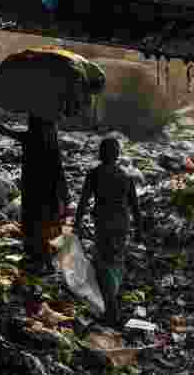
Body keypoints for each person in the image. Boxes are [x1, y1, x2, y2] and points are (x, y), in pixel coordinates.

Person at [0, 103, 70, 273]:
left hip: (33, 190)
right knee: (44, 224)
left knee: (33, 224)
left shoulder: (30, 137)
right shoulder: (49, 141)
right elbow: (59, 169)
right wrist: (64, 195)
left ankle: (38, 259)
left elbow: (3, 131)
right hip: (47, 191)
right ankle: (45, 261)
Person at [74, 137, 144, 326]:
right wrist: (139, 230)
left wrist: (76, 225)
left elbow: (83, 202)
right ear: (117, 155)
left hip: (104, 224)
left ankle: (111, 311)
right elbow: (135, 207)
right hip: (121, 225)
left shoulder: (94, 174)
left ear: (101, 153)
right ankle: (112, 304)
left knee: (103, 265)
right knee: (115, 262)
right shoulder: (125, 177)